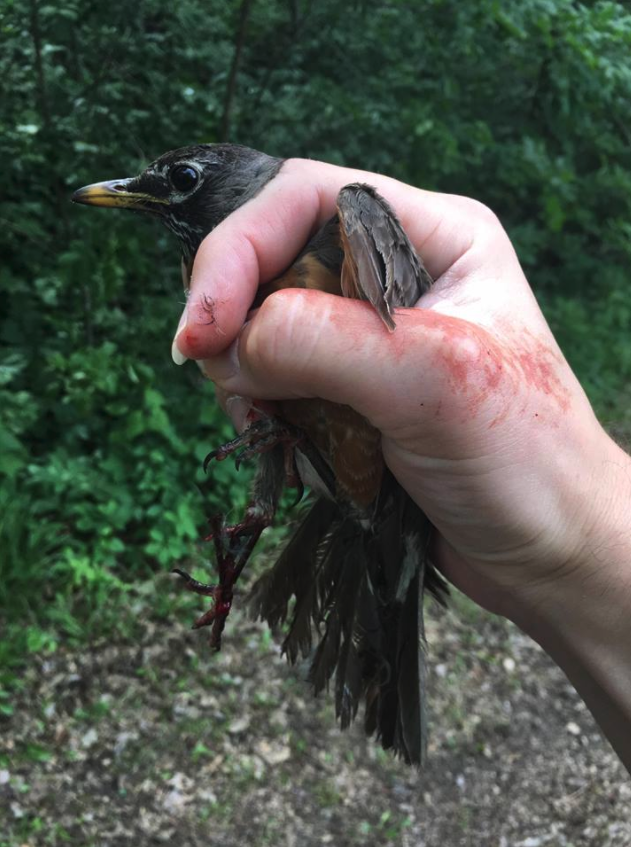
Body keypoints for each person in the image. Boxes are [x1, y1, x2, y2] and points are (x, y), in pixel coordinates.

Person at [171, 157, 631, 772]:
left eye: (183, 182)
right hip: (356, 486)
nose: (156, 194)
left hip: (393, 495)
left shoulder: (348, 217)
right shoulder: (233, 265)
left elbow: (403, 354)